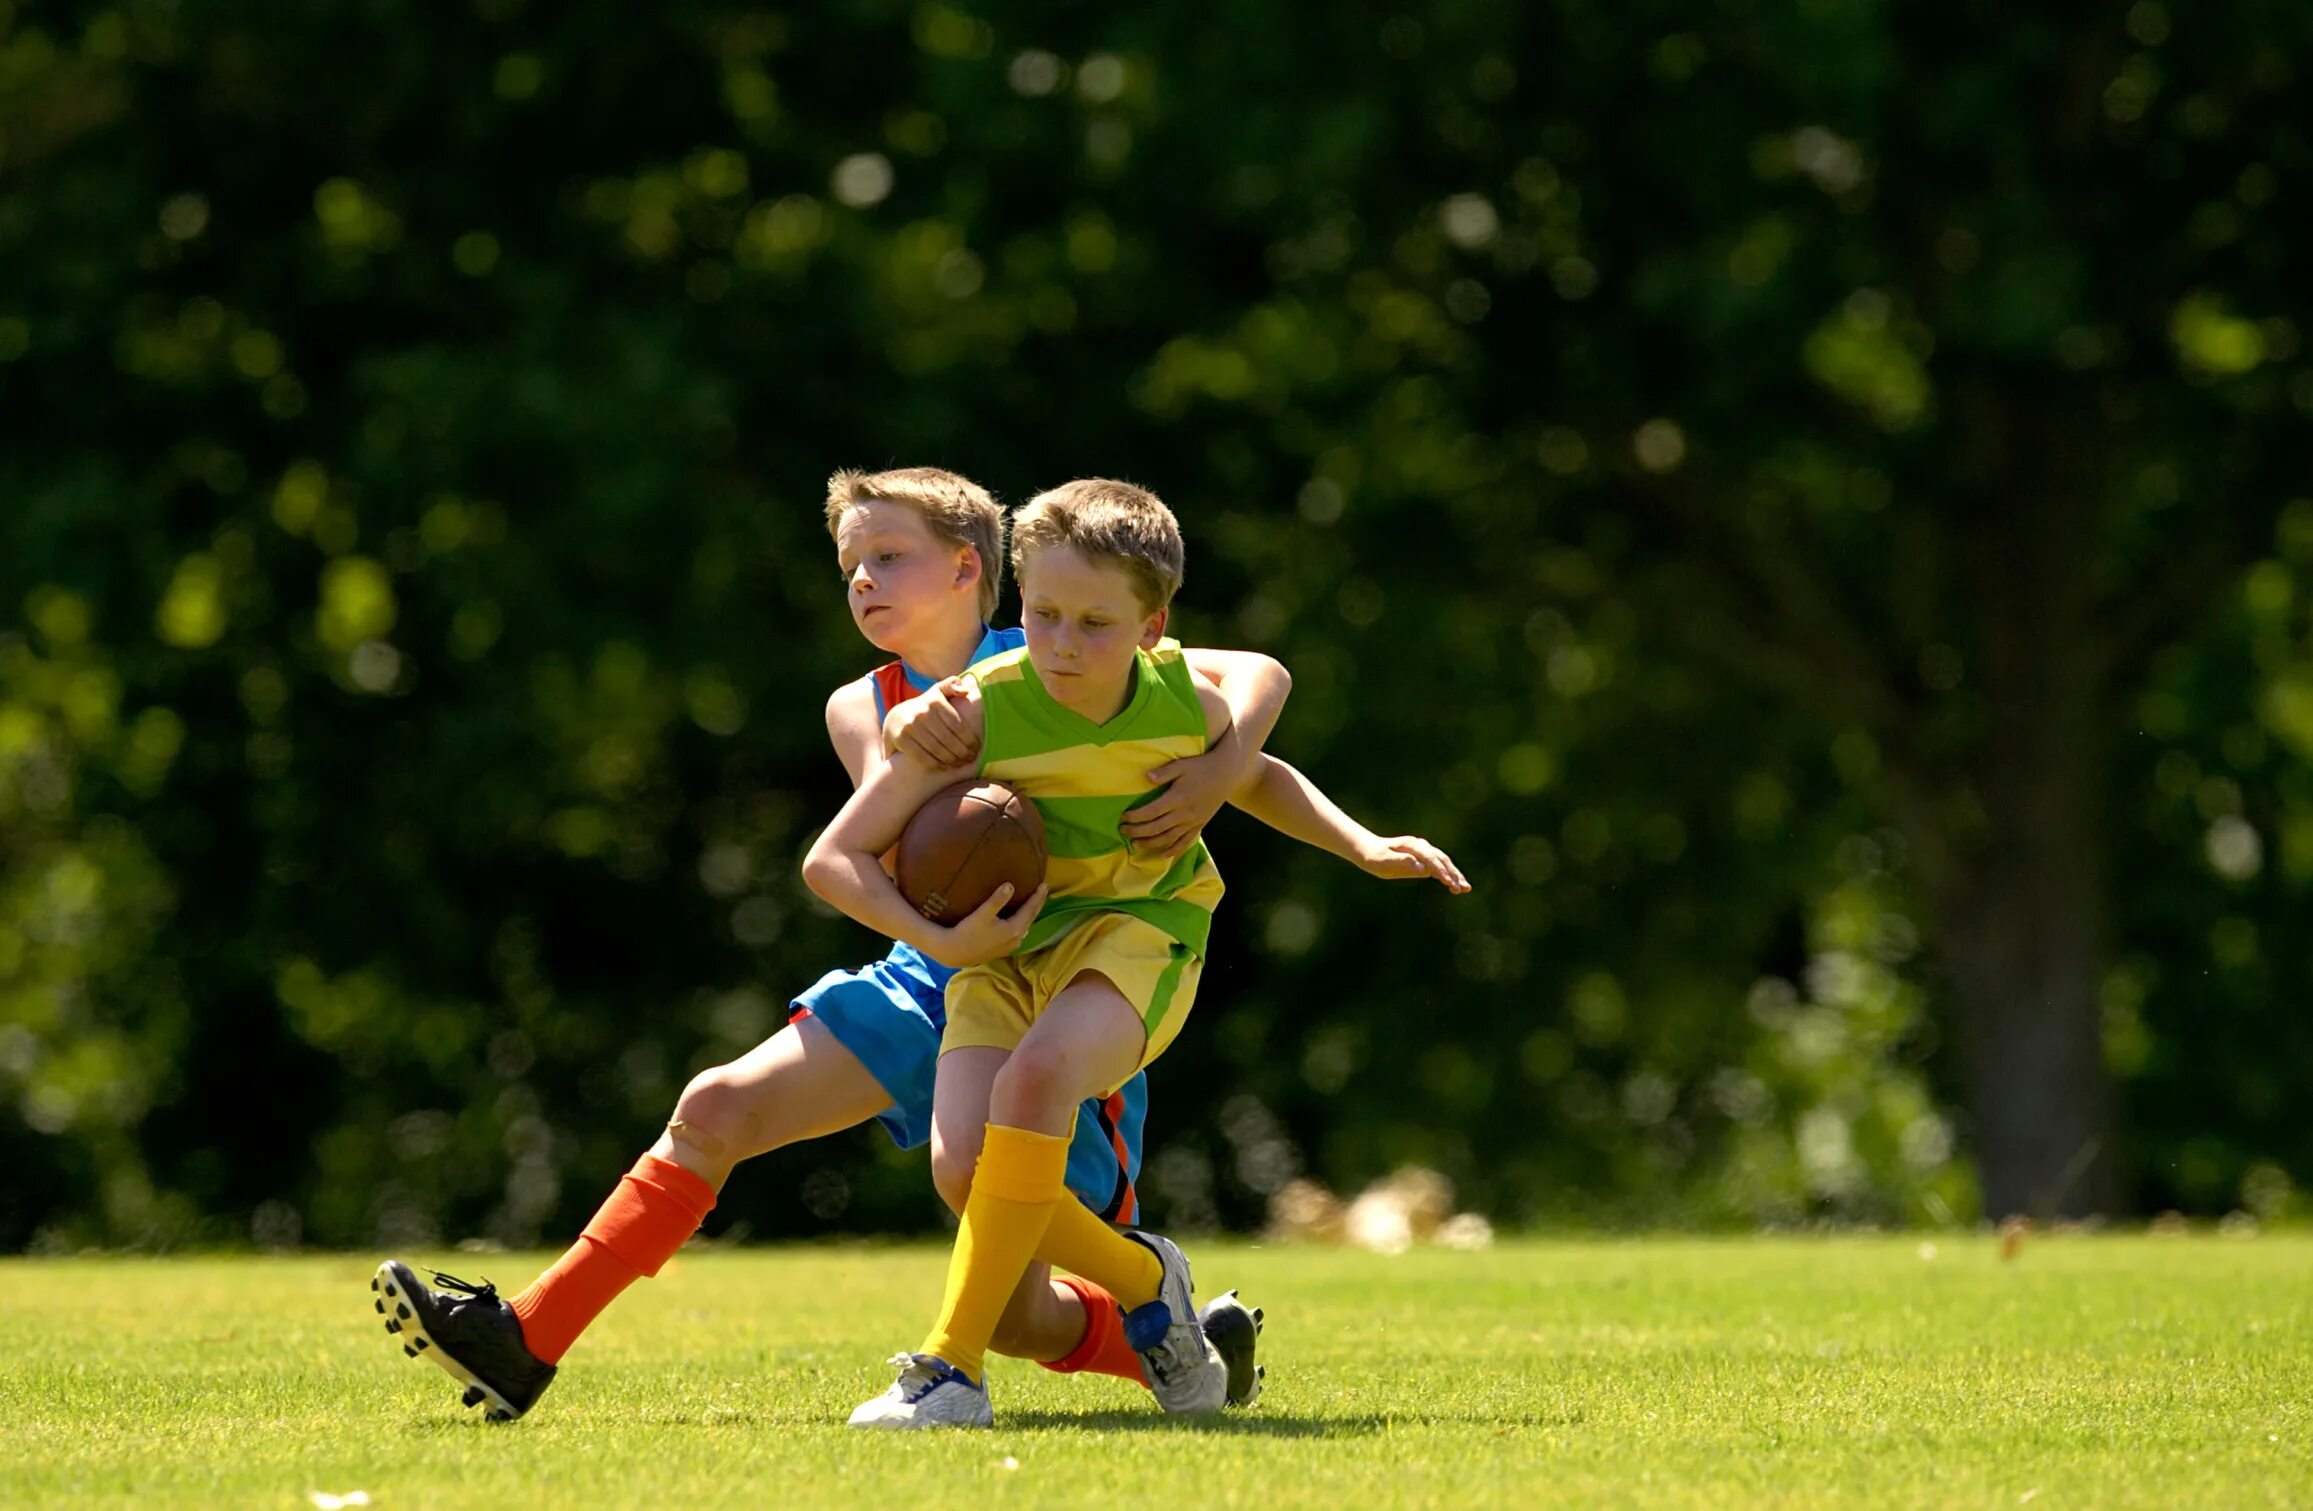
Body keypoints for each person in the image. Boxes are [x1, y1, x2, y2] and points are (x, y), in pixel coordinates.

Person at [370, 467, 1290, 1421]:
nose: (862, 579)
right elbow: (896, 850)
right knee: (716, 1103)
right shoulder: (863, 705)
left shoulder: (1061, 639)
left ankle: (1175, 1327)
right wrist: (932, 927)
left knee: (1020, 1317)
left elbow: (1252, 676)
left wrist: (1219, 772)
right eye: (851, 563)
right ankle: (526, 1339)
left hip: (1053, 983)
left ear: (970, 567)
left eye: (889, 557)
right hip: (927, 970)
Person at [804, 478, 1466, 1429]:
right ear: (1017, 601)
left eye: (1095, 624)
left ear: (1154, 627)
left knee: (1032, 1083)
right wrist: (945, 940)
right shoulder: (977, 711)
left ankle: (947, 1373)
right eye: (1042, 616)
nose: (1064, 645)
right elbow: (833, 860)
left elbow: (1263, 767)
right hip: (1001, 956)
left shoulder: (1177, 701)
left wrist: (1356, 841)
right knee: (962, 1173)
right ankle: (1147, 1276)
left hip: (1139, 933)